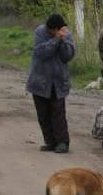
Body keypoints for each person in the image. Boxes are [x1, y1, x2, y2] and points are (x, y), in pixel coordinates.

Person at [27, 13, 75, 154]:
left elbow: (67, 56)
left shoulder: (67, 33)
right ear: (50, 29)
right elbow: (41, 53)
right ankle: (50, 142)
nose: (57, 32)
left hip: (58, 81)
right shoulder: (40, 32)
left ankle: (62, 142)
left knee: (58, 113)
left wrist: (63, 41)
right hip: (40, 80)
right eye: (54, 31)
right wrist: (55, 40)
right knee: (43, 114)